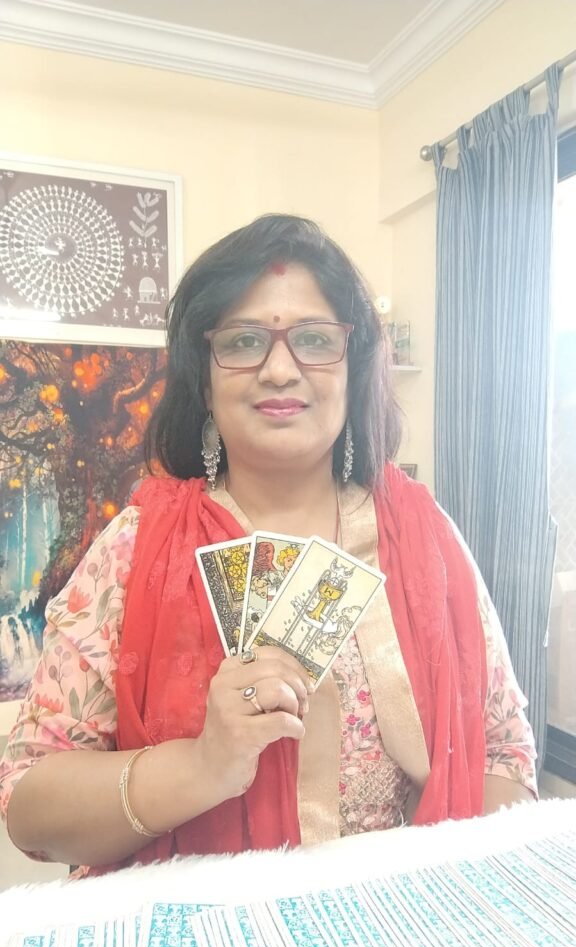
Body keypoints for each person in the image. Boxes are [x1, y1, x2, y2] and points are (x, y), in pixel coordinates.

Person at [0, 215, 537, 876]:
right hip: (201, 931)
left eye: (313, 339)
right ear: (204, 380)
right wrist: (201, 766)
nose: (280, 369)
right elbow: (30, 807)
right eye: (244, 340)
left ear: (352, 367)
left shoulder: (424, 536)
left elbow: (505, 756)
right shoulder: (136, 548)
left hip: (402, 922)